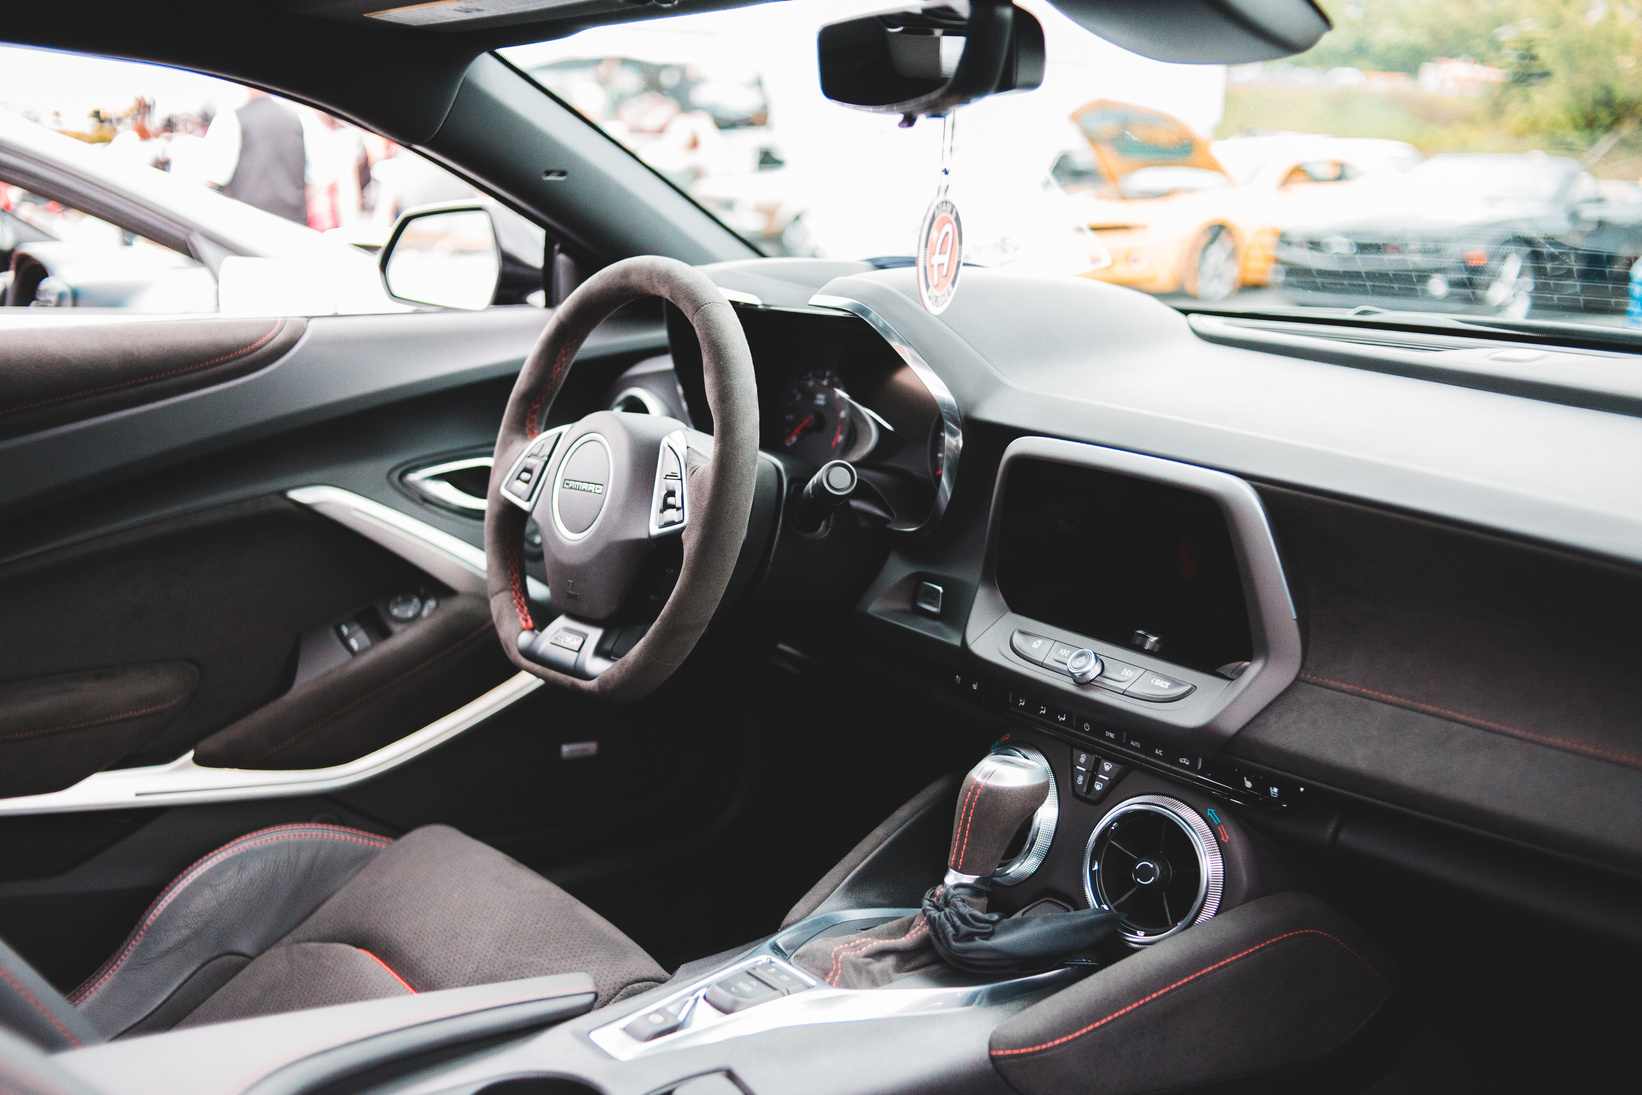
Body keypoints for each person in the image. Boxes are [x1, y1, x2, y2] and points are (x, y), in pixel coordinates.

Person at [200, 89, 307, 223]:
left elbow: (214, 176)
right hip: (293, 222)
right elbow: (311, 180)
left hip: (248, 222)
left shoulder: (232, 116)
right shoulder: (295, 118)